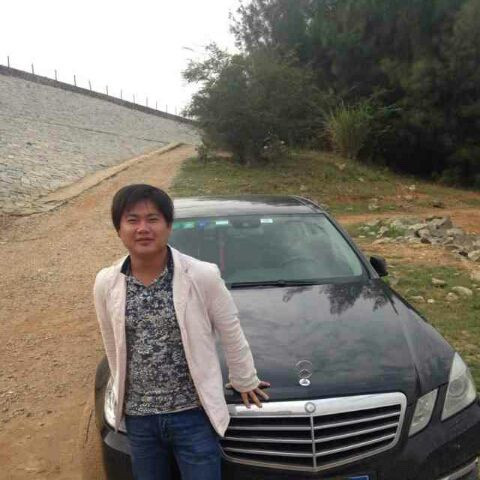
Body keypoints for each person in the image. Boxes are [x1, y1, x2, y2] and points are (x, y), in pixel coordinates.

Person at [93, 184, 270, 480]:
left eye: (153, 219)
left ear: (168, 226)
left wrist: (244, 378)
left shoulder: (201, 275)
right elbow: (111, 342)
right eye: (132, 220)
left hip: (192, 416)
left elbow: (230, 330)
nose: (143, 228)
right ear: (119, 229)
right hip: (140, 419)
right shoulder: (106, 283)